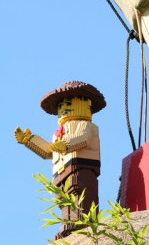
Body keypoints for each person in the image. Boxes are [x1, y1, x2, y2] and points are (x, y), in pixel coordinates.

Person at [15, 80, 106, 240]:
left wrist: (64, 145)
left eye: (69, 102)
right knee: (63, 199)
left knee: (80, 192)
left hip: (81, 166)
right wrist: (29, 141)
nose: (64, 108)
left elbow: (82, 139)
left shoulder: (86, 126)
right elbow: (48, 151)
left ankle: (83, 222)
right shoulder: (58, 133)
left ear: (84, 103)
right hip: (62, 171)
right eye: (61, 105)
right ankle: (67, 227)